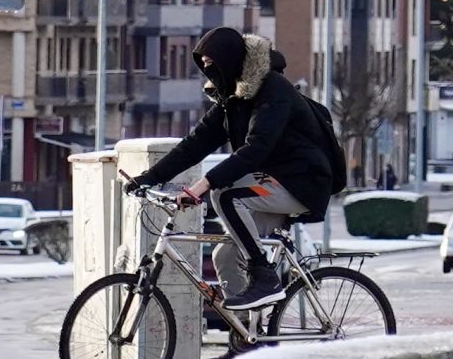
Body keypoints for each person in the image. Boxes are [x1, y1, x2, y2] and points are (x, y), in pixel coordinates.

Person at [121, 28, 336, 309]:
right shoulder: (231, 100)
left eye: (213, 64)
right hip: (272, 184)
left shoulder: (273, 90)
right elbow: (195, 144)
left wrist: (203, 184)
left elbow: (256, 149)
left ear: (231, 61)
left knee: (224, 194)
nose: (208, 70)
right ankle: (248, 341)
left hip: (302, 183)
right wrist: (148, 178)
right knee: (223, 255)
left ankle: (265, 276)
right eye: (204, 65)